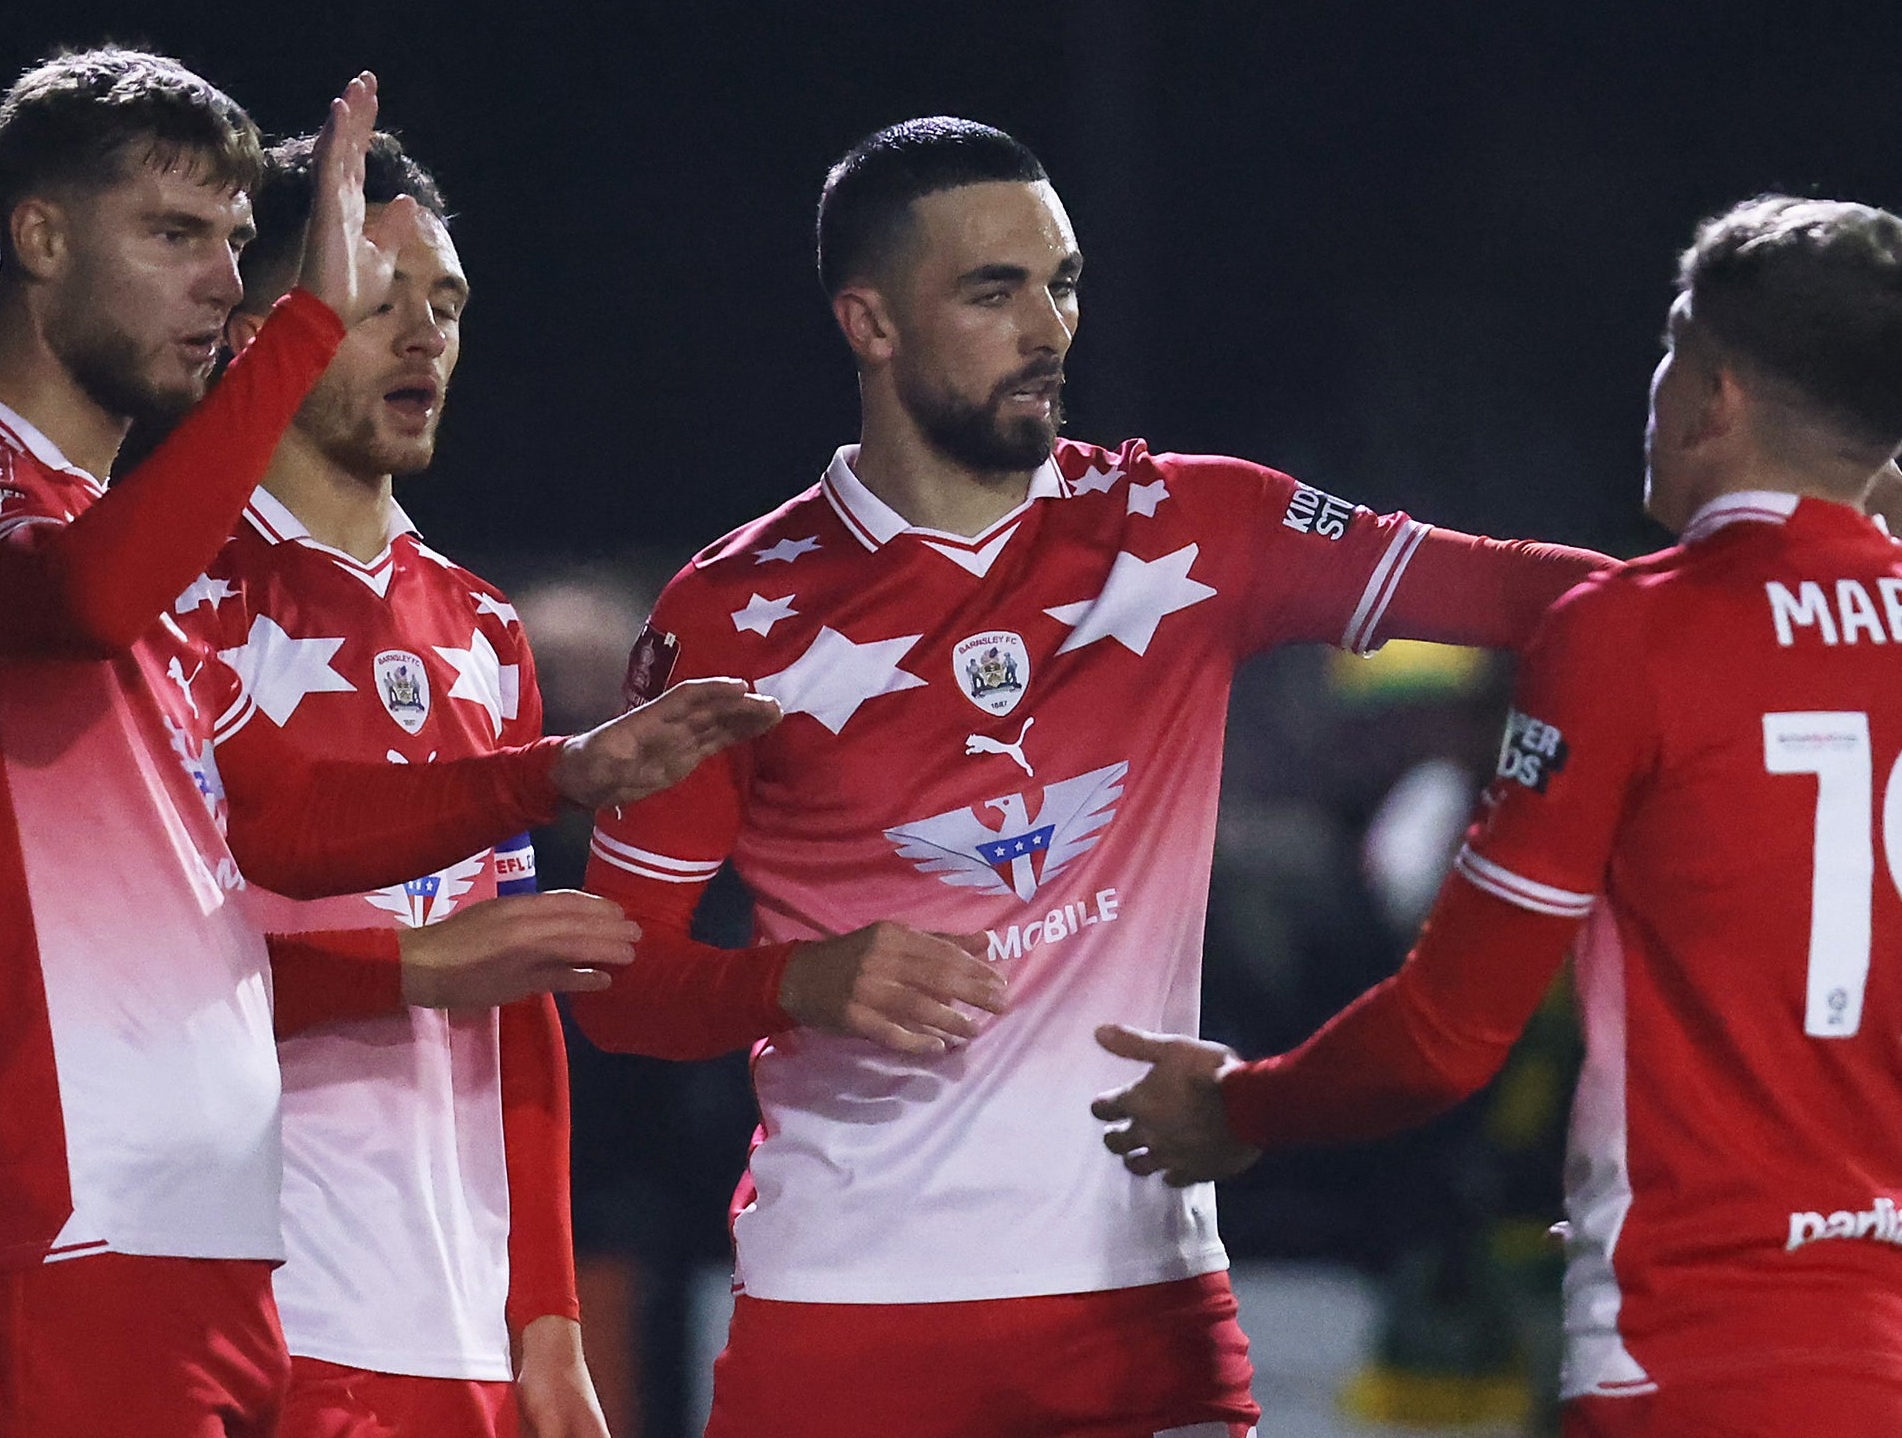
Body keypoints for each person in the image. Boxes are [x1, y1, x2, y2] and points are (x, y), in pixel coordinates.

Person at [571, 115, 1615, 1438]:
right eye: (991, 291)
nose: (1046, 327)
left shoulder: (1194, 523)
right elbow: (614, 988)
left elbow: (1545, 594)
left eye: (1059, 283)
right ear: (869, 322)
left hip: (1146, 1319)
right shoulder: (729, 616)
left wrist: (1809, 581)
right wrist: (798, 980)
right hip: (847, 1327)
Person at [0, 47, 772, 1438]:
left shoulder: (153, 563)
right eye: (175, 236)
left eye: (235, 246)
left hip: (201, 1259)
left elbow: (282, 817)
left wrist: (563, 775)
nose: (220, 283)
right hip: (56, 1237)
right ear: (38, 235)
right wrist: (297, 333)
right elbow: (79, 598)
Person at [1090, 195, 1902, 1437]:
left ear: (1713, 395)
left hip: (1693, 1360)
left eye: (1671, 347)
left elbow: (1441, 1035)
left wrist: (1236, 1111)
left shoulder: (1627, 634)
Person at [201, 130, 606, 1438]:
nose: (426, 337)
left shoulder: (484, 631)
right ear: (272, 327)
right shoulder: (178, 608)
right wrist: (416, 964)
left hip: (459, 1329)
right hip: (262, 1316)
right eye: (382, 305)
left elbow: (524, 997)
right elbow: (127, 994)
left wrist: (546, 1329)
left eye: (447, 306)